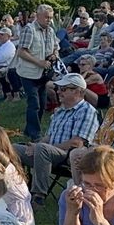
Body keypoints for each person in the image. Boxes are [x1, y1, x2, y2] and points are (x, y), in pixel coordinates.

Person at [19, 73, 100, 205]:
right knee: (13, 148)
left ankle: (38, 196)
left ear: (78, 91)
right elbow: (48, 136)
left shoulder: (87, 111)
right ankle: (18, 189)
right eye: (58, 89)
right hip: (47, 151)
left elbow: (77, 142)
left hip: (68, 154)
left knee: (42, 149)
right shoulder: (60, 111)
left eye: (63, 89)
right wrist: (34, 146)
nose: (59, 92)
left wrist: (44, 147)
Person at [14, 4, 59, 140]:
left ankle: (30, 130)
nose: (49, 20)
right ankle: (35, 133)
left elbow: (56, 47)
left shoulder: (50, 31)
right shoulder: (29, 29)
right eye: (46, 17)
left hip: (43, 74)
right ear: (38, 16)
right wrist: (39, 62)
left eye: (50, 17)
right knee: (34, 103)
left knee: (42, 103)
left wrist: (54, 55)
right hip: (28, 73)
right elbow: (21, 52)